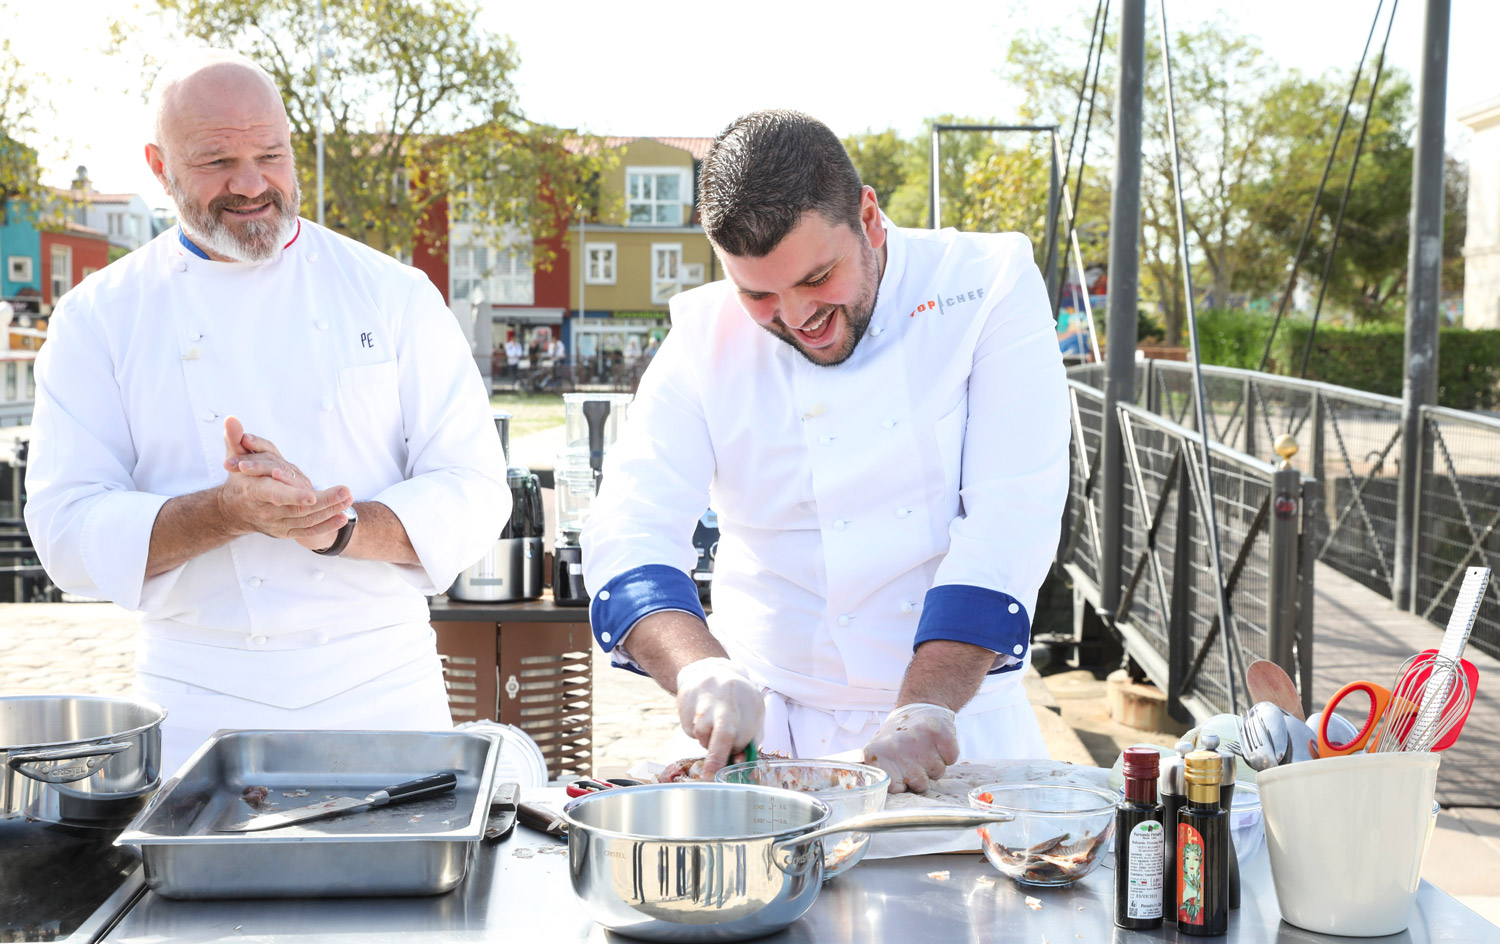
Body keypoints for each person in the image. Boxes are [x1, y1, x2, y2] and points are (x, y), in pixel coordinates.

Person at [23, 50, 508, 774]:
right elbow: (64, 533)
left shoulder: (394, 293)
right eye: (217, 160)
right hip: (196, 705)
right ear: (159, 167)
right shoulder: (99, 315)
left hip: (385, 688)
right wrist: (227, 510)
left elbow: (474, 488)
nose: (251, 184)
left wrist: (338, 527)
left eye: (270, 154)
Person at [582, 110, 1069, 793]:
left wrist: (925, 705)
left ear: (869, 218)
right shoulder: (703, 335)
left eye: (817, 279)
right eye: (758, 294)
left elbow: (1011, 518)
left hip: (958, 725)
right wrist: (700, 669)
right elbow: (630, 528)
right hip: (763, 735)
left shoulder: (985, 284)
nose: (796, 317)